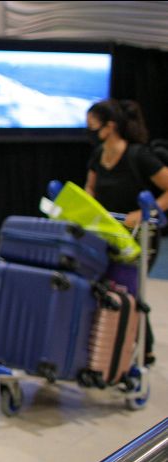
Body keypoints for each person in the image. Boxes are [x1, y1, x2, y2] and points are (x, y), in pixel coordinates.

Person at [85, 98, 168, 365]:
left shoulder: (139, 155)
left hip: (140, 236)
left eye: (94, 124)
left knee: (131, 290)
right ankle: (109, 345)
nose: (90, 130)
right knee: (106, 288)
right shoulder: (99, 154)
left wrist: (145, 213)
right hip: (107, 233)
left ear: (110, 125)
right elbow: (91, 188)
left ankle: (144, 348)